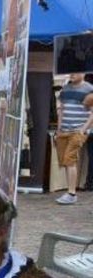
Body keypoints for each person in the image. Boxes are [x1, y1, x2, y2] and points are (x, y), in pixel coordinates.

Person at [54, 72, 93, 205]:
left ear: (83, 73)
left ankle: (71, 193)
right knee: (66, 160)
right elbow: (62, 109)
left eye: (76, 71)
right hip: (64, 130)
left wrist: (83, 129)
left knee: (70, 159)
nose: (72, 74)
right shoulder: (65, 89)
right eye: (70, 71)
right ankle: (70, 192)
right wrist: (59, 129)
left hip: (78, 131)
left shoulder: (89, 89)